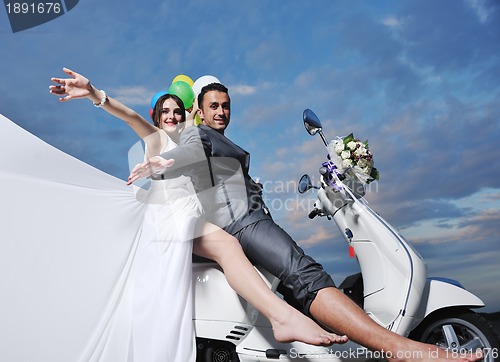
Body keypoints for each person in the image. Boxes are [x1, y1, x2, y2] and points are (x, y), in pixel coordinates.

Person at [128, 82, 483, 362]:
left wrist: (252, 187)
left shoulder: (219, 137)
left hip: (249, 219)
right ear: (199, 112)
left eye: (226, 106)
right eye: (214, 106)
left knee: (300, 278)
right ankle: (400, 350)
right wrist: (162, 164)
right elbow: (188, 152)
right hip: (242, 225)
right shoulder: (197, 133)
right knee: (306, 275)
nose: (221, 112)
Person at [49, 68, 347, 360]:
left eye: (178, 111)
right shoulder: (156, 138)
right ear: (157, 117)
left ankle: (285, 317)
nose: (172, 116)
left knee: (242, 249)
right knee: (227, 246)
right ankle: (282, 317)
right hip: (170, 219)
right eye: (165, 111)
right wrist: (94, 94)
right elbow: (130, 117)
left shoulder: (194, 140)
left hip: (191, 217)